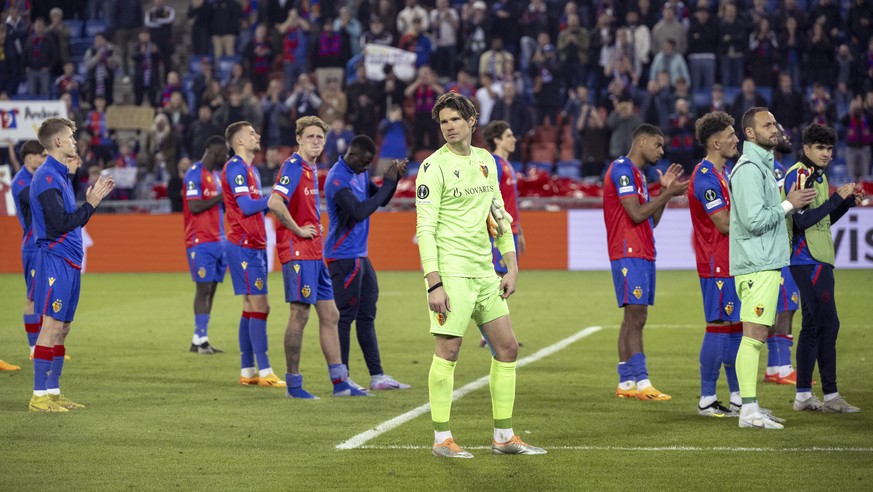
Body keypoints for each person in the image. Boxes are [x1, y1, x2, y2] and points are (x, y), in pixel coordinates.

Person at [415, 92, 545, 458]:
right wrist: (434, 282)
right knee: (449, 350)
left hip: (485, 273)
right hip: (452, 273)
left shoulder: (486, 161)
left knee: (506, 349)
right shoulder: (433, 167)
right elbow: (425, 228)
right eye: (443, 122)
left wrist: (512, 265)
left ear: (472, 121)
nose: (449, 126)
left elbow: (500, 216)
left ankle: (504, 436)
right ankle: (442, 438)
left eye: (455, 119)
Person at [266, 116, 367, 399]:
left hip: (314, 253)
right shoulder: (293, 166)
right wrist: (298, 228)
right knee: (299, 314)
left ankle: (339, 382)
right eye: (310, 136)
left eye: (320, 138)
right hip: (298, 252)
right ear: (298, 139)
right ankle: (294, 385)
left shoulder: (311, 169)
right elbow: (274, 202)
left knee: (331, 314)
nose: (315, 141)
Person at [728, 107, 815, 429]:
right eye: (767, 125)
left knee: (756, 335)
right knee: (752, 336)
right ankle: (747, 411)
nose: (775, 128)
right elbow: (753, 221)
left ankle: (751, 406)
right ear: (750, 133)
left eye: (775, 123)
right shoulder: (750, 169)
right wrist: (789, 203)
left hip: (763, 262)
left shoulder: (762, 166)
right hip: (756, 263)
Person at [28, 117, 115, 412]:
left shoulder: (60, 175)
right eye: (71, 137)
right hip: (54, 258)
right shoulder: (47, 177)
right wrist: (90, 204)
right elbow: (59, 224)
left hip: (69, 260)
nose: (75, 142)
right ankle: (38, 396)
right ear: (57, 142)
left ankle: (53, 392)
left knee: (63, 328)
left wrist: (90, 203)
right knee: (51, 326)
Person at [603, 124, 688, 402]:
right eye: (658, 145)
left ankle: (626, 383)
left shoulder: (637, 174)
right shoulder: (622, 169)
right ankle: (643, 383)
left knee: (631, 319)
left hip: (641, 251)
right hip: (629, 251)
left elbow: (651, 219)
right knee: (637, 317)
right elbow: (636, 214)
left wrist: (663, 193)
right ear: (641, 141)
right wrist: (667, 194)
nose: (661, 151)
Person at [783, 124, 864, 414]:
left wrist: (845, 204)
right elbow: (801, 222)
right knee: (828, 325)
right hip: (808, 261)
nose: (826, 153)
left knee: (813, 326)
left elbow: (820, 221)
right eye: (820, 148)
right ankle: (831, 397)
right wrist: (834, 199)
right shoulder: (801, 174)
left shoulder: (816, 175)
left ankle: (803, 396)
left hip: (814, 259)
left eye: (829, 149)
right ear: (806, 149)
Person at [323, 135, 411, 391]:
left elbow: (381, 199)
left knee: (366, 315)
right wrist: (389, 182)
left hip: (359, 255)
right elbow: (360, 211)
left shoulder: (358, 171)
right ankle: (342, 379)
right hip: (342, 257)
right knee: (345, 317)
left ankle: (377, 376)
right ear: (352, 155)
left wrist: (392, 181)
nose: (366, 168)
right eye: (364, 163)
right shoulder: (337, 179)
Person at [220, 121, 285, 388]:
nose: (257, 135)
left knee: (250, 306)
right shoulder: (236, 168)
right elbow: (246, 206)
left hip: (253, 242)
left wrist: (272, 200)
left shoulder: (252, 170)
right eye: (250, 133)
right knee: (260, 305)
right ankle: (265, 369)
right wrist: (273, 199)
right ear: (238, 142)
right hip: (243, 243)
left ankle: (248, 371)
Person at [688, 112, 743, 417]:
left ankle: (736, 397)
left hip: (730, 262)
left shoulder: (723, 173)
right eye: (731, 134)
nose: (736, 139)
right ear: (715, 141)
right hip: (716, 264)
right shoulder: (706, 176)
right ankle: (707, 399)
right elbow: (722, 223)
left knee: (734, 328)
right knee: (719, 326)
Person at [183, 136, 229, 355]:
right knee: (203, 288)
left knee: (211, 289)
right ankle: (200, 339)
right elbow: (194, 206)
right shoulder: (194, 174)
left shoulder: (217, 176)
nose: (227, 157)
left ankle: (200, 338)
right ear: (215, 151)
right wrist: (222, 197)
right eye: (225, 153)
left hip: (219, 240)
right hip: (199, 240)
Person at [765, 124, 801, 385]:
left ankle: (774, 367)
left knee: (779, 306)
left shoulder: (774, 167)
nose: (786, 136)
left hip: (773, 247)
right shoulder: (776, 170)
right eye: (781, 132)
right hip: (780, 247)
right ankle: (784, 367)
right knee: (786, 306)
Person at [12, 140, 46, 359]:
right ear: (30, 157)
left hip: (44, 245)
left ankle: (44, 345)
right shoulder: (21, 181)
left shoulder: (35, 178)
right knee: (32, 299)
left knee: (44, 298)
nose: (44, 159)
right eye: (41, 156)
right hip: (32, 247)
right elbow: (40, 201)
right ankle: (34, 348)